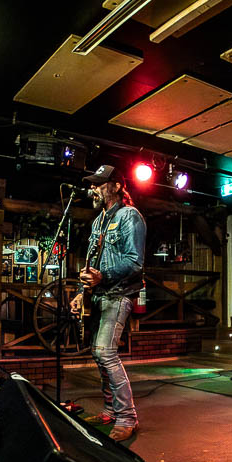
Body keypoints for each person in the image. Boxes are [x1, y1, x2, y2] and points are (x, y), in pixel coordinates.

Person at [70, 165, 146, 442]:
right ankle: (111, 411)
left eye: (99, 184)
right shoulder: (98, 221)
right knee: (97, 352)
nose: (93, 189)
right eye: (92, 185)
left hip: (119, 293)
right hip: (99, 294)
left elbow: (135, 262)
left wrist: (104, 275)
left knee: (105, 352)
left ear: (116, 186)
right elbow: (93, 264)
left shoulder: (129, 216)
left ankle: (128, 417)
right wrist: (81, 292)